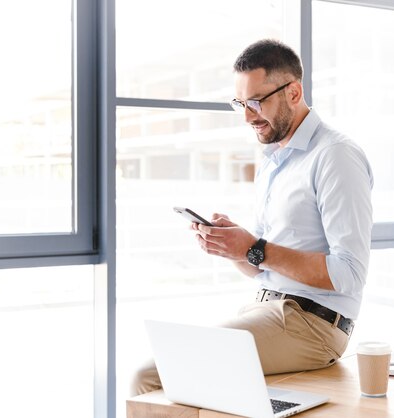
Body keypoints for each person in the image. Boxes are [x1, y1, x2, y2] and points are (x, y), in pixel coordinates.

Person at [132, 39, 373, 395]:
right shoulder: (274, 160)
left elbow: (350, 274)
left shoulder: (335, 156)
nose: (247, 116)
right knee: (188, 378)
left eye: (257, 102)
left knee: (149, 376)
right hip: (267, 309)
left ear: (294, 92)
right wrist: (234, 248)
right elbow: (260, 266)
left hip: (313, 323)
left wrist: (255, 247)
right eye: (241, 103)